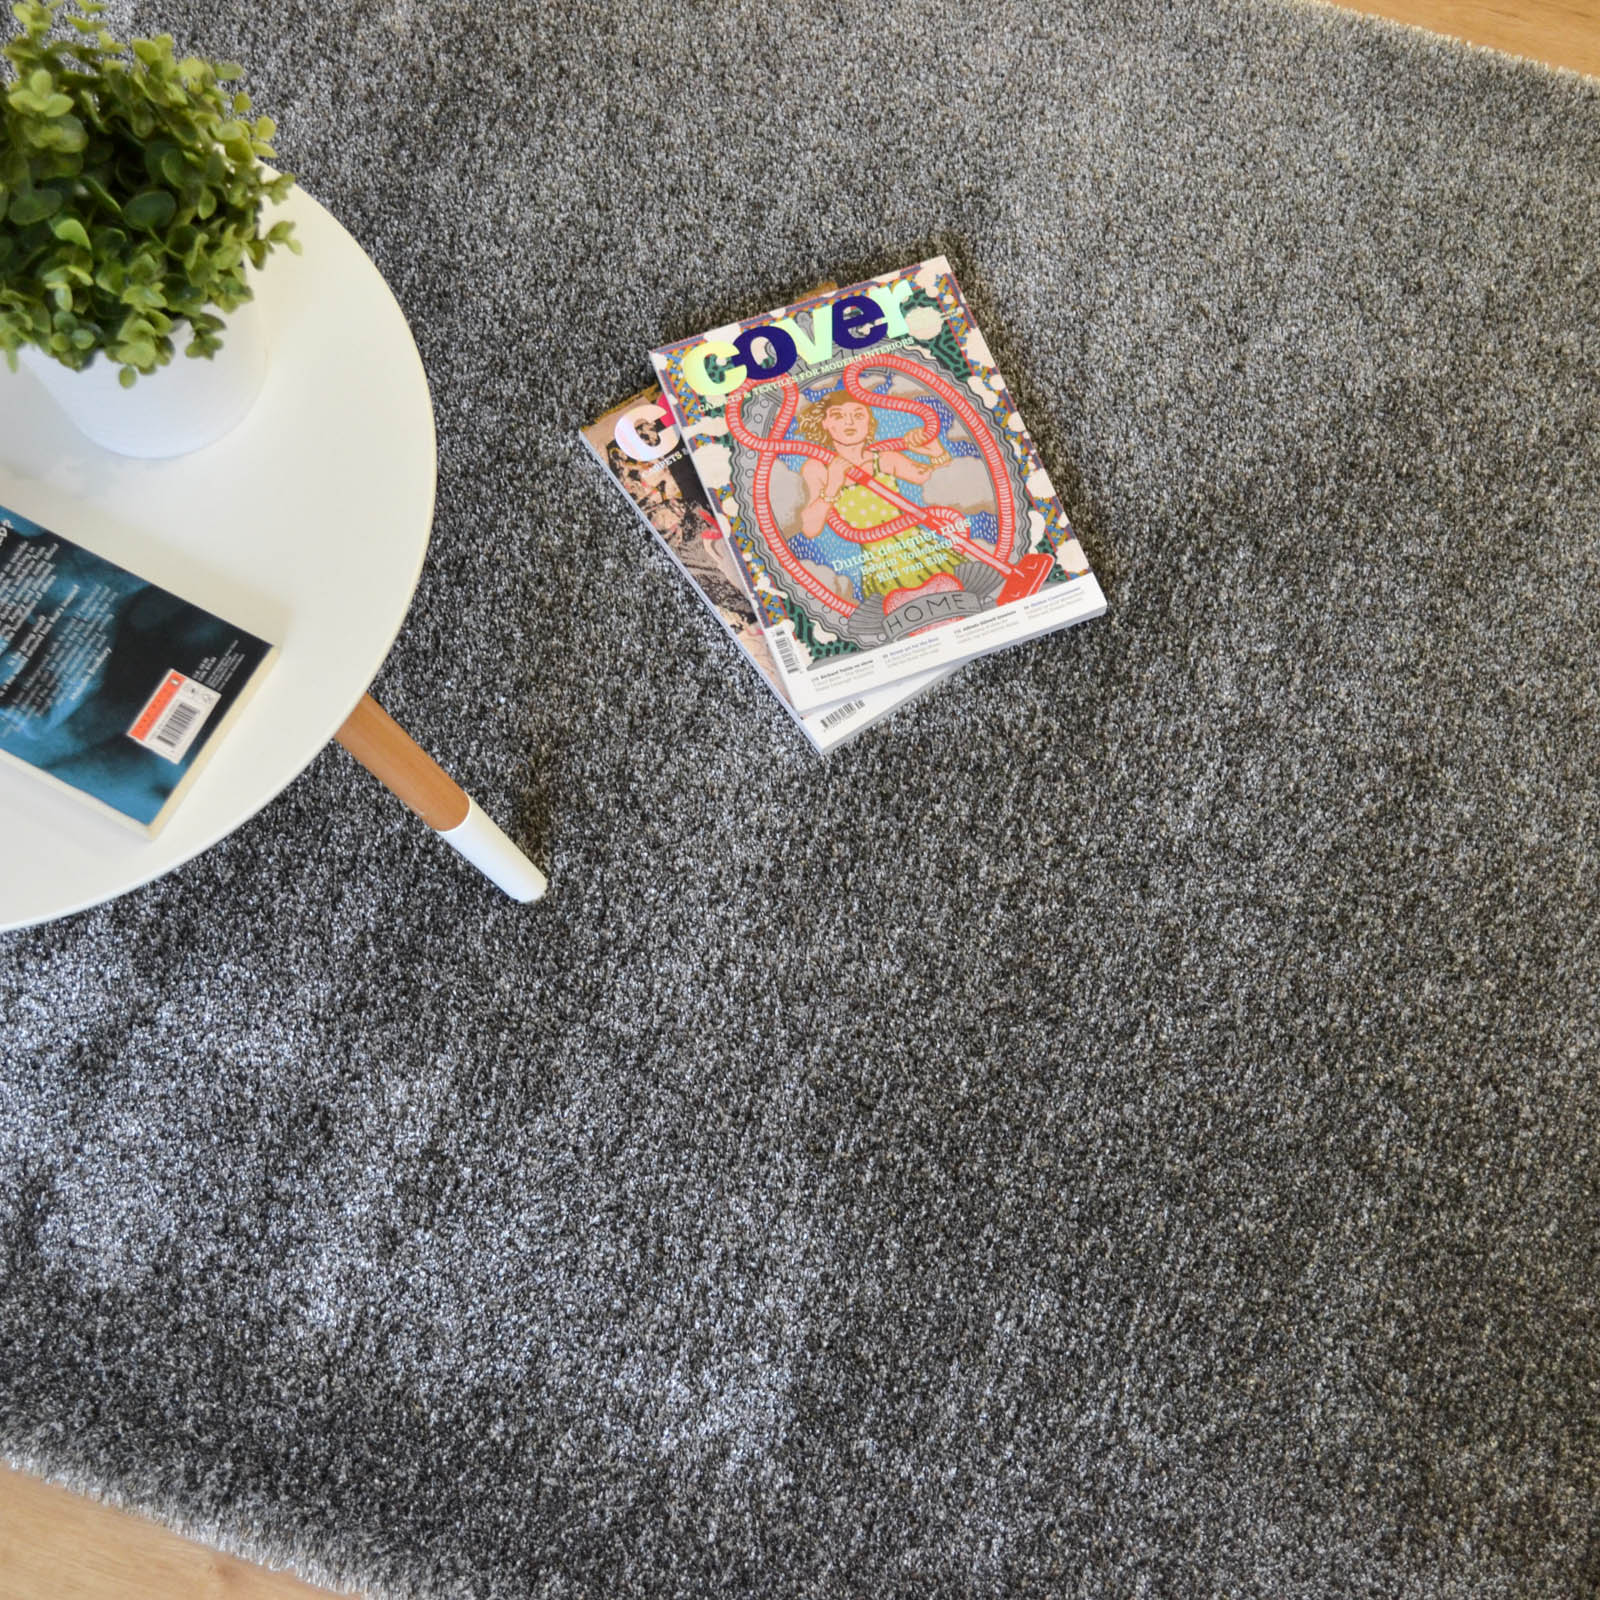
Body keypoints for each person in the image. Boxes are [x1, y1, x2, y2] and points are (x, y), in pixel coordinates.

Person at [791, 390, 961, 605]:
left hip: (926, 554)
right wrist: (833, 485)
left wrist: (936, 452)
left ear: (869, 422)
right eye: (838, 415)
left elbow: (945, 487)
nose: (849, 422)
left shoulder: (886, 459)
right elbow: (810, 528)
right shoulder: (818, 468)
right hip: (881, 567)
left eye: (858, 415)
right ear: (824, 423)